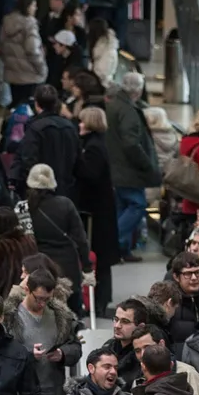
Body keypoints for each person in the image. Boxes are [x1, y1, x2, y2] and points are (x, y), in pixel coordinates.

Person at [4, 269, 81, 395]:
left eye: (47, 299)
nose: (42, 304)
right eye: (38, 298)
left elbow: (75, 348)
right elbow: (3, 356)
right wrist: (29, 356)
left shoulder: (60, 317)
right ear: (27, 290)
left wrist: (62, 353)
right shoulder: (10, 318)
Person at [107, 72, 161, 261]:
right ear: (137, 91)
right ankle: (113, 241)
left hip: (115, 167)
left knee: (122, 207)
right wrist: (147, 164)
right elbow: (131, 144)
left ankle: (122, 249)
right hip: (129, 170)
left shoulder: (113, 106)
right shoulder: (128, 111)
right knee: (137, 205)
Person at [26, 164, 91, 309]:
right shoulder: (66, 204)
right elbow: (81, 239)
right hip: (67, 266)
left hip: (37, 267)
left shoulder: (24, 208)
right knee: (71, 313)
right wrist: (87, 267)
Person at [76, 106, 119, 311]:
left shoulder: (92, 147)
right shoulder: (99, 143)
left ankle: (99, 301)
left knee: (98, 255)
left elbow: (90, 175)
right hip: (102, 207)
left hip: (96, 210)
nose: (80, 125)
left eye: (83, 121)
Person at [15, 84, 81, 199]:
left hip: (41, 190)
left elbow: (28, 159)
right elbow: (78, 158)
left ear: (36, 103)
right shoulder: (70, 127)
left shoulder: (35, 128)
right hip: (67, 187)